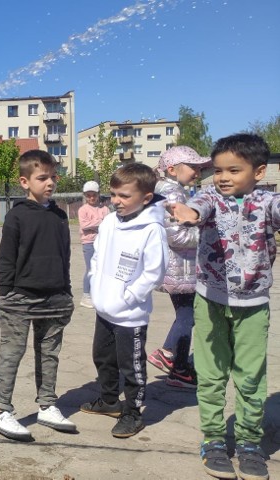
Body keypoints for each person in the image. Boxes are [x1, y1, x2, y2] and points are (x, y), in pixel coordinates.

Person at [168, 134, 277, 480]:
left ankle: (248, 443)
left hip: (253, 304)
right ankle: (213, 439)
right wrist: (190, 212)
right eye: (218, 170)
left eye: (234, 170)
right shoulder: (210, 195)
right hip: (210, 300)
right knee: (212, 374)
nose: (223, 177)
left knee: (250, 376)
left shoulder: (267, 201)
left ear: (258, 171)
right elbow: (200, 206)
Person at [0, 150, 76, 441]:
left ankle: (47, 405)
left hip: (55, 298)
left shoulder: (61, 216)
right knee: (12, 353)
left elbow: (65, 256)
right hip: (21, 299)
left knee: (49, 354)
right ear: (25, 182)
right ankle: (0, 410)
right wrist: (6, 294)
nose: (49, 182)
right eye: (42, 178)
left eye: (53, 177)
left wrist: (66, 290)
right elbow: (6, 259)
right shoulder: (17, 216)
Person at [80, 163, 168, 439]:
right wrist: (95, 284)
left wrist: (129, 297)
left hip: (130, 314)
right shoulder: (109, 221)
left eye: (124, 196)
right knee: (102, 357)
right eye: (114, 194)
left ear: (146, 198)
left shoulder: (152, 229)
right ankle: (109, 401)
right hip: (104, 309)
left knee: (132, 366)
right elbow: (96, 256)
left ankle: (132, 412)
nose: (116, 201)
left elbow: (155, 271)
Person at [146, 146, 210, 390]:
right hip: (179, 267)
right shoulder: (173, 193)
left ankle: (174, 361)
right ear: (172, 170)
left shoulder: (168, 190)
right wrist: (205, 232)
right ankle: (174, 361)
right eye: (192, 167)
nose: (197, 171)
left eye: (199, 167)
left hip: (177, 267)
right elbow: (178, 236)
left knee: (186, 314)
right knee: (188, 315)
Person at [77, 180, 108, 309]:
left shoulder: (104, 209)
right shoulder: (83, 210)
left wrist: (96, 223)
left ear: (98, 194)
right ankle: (86, 295)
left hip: (102, 242)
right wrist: (99, 222)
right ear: (85, 196)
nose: (91, 198)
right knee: (91, 269)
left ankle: (98, 294)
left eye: (94, 195)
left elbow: (108, 224)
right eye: (88, 195)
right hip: (89, 243)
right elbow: (84, 226)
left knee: (101, 269)